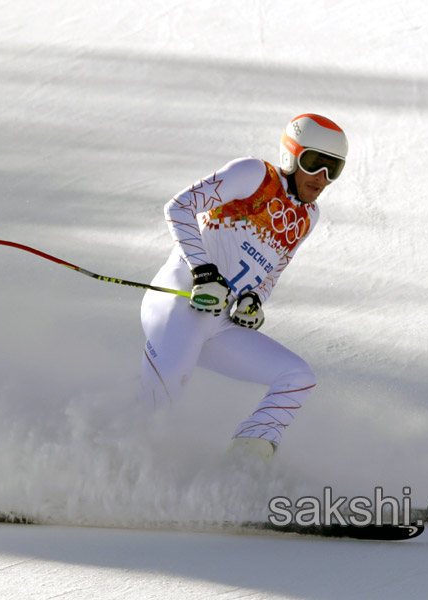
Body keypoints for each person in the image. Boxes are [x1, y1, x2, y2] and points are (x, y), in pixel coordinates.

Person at [139, 113, 348, 463]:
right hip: (180, 303)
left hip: (218, 323)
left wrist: (254, 299)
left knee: (296, 377)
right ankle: (97, 475)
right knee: (159, 404)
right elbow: (179, 207)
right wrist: (202, 271)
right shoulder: (253, 175)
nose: (322, 178)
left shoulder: (307, 217)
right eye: (315, 163)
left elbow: (273, 271)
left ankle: (240, 472)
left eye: (334, 168)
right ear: (292, 155)